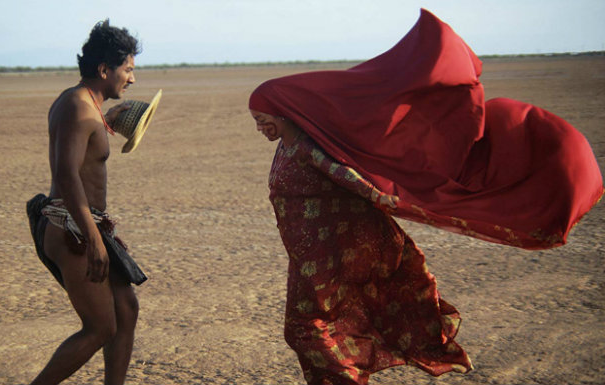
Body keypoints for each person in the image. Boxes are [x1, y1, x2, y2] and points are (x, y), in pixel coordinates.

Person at [249, 9, 602, 385]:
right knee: (321, 327)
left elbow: (354, 178)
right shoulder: (288, 145)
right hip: (311, 257)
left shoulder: (310, 147)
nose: (260, 128)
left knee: (309, 328)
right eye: (256, 122)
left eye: (262, 118)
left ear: (283, 112)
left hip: (339, 254)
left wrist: (398, 199)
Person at [26, 19, 148, 385]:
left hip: (84, 224)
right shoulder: (78, 107)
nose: (132, 79)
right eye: (127, 69)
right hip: (73, 228)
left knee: (125, 310)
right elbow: (66, 174)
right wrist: (93, 239)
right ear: (103, 69)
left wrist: (106, 122)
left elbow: (83, 148)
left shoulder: (86, 107)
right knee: (99, 327)